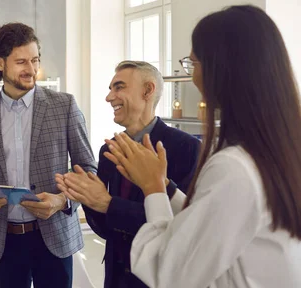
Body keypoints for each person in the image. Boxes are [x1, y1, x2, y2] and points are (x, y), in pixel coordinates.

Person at [101, 5, 301, 288]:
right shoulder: (279, 149)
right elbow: (214, 218)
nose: (193, 76)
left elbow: (170, 272)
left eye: (194, 64)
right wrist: (166, 187)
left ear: (223, 69)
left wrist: (153, 189)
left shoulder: (232, 166)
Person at [0, 22, 97, 288]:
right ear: (0, 62)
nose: (31, 70)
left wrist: (60, 201)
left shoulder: (64, 106)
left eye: (35, 60)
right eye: (21, 61)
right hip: (4, 241)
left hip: (54, 238)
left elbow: (89, 170)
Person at [55, 61, 200, 288]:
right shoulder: (109, 150)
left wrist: (108, 204)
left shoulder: (187, 148)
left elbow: (183, 226)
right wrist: (88, 198)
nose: (109, 97)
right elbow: (105, 227)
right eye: (111, 89)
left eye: (119, 87)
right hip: (115, 278)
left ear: (148, 90)